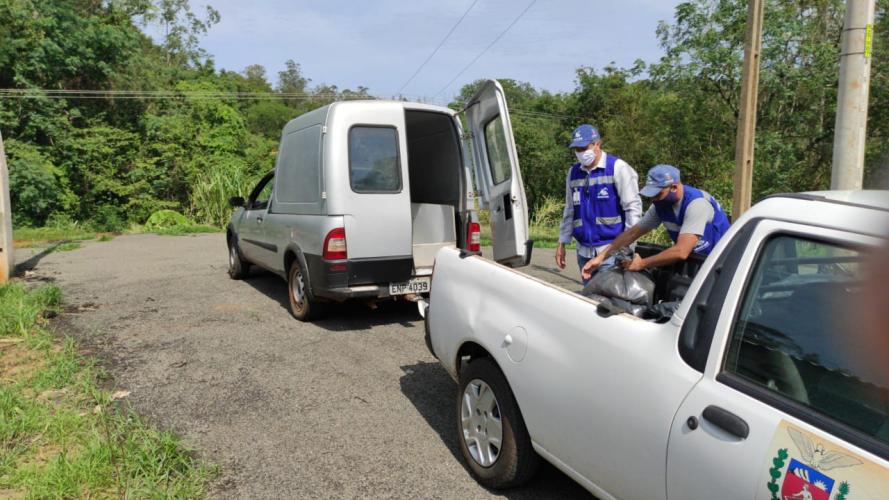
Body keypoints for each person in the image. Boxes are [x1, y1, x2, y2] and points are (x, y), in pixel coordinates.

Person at [581, 164, 730, 279]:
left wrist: (642, 264)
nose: (654, 199)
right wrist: (600, 258)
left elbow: (681, 251)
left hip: (720, 264)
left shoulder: (696, 204)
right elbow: (631, 234)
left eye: (658, 194)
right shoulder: (660, 205)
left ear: (674, 187)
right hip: (696, 262)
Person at [556, 124, 642, 285]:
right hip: (583, 251)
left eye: (584, 147)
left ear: (597, 144)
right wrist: (562, 242)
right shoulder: (573, 173)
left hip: (611, 252)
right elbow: (569, 210)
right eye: (577, 149)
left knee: (607, 303)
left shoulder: (617, 168)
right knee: (590, 300)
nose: (580, 153)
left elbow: (633, 210)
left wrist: (627, 249)